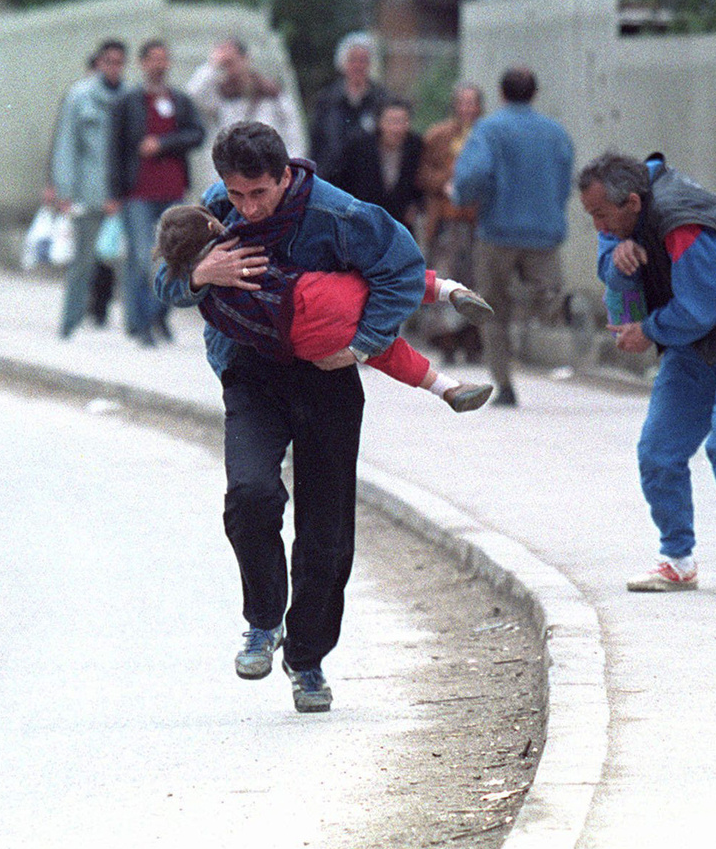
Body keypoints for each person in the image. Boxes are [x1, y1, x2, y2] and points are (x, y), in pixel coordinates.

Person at [155, 122, 425, 713]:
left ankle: (308, 660)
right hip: (250, 375)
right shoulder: (214, 211)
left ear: (284, 176)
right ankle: (262, 621)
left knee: (327, 534)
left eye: (259, 193)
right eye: (237, 194)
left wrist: (363, 344)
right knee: (249, 495)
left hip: (327, 375)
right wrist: (200, 275)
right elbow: (164, 282)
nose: (248, 208)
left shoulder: (339, 214)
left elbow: (404, 270)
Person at [578, 152, 716, 592]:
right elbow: (609, 269)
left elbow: (703, 305)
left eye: (601, 216)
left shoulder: (682, 222)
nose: (598, 227)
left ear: (632, 203)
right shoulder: (620, 220)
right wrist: (618, 258)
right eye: (591, 216)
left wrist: (648, 331)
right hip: (692, 342)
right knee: (658, 451)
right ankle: (677, 559)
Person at [154, 203, 493, 411]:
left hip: (302, 342)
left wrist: (197, 278)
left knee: (383, 354)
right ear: (211, 224)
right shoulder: (240, 235)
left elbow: (165, 284)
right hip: (311, 295)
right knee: (373, 285)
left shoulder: (212, 305)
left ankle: (445, 388)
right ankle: (448, 289)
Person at [452, 67, 573, 406]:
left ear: (501, 94)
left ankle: (504, 385)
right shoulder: (556, 133)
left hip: (497, 231)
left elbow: (473, 173)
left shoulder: (489, 129)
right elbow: (566, 182)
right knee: (547, 293)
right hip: (543, 232)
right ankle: (536, 306)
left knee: (491, 309)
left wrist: (463, 197)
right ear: (535, 94)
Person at [109, 39, 205, 346]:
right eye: (153, 58)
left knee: (176, 257)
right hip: (137, 192)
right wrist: (113, 193)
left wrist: (163, 144)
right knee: (142, 258)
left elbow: (197, 134)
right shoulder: (129, 101)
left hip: (173, 190)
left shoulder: (180, 100)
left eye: (163, 58)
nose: (158, 64)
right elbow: (114, 148)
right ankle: (142, 324)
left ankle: (159, 316)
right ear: (142, 63)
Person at [52, 39, 127, 339]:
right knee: (82, 262)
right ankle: (69, 323)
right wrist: (65, 189)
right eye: (108, 61)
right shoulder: (79, 96)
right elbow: (66, 144)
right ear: (99, 63)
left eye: (119, 62)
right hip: (87, 192)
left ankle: (135, 329)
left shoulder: (130, 98)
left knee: (126, 262)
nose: (113, 67)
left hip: (122, 194)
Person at [417, 82, 484, 364]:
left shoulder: (486, 135)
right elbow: (422, 172)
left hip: (478, 220)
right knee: (445, 278)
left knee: (475, 279)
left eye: (472, 103)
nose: (467, 108)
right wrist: (445, 179)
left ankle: (472, 338)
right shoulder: (438, 135)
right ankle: (445, 337)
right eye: (462, 102)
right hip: (446, 219)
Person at [186, 37, 306, 158]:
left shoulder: (271, 92)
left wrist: (290, 162)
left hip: (271, 162)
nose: (229, 67)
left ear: (244, 58)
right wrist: (212, 65)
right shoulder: (219, 95)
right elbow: (191, 97)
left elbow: (294, 133)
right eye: (224, 64)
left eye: (231, 61)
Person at [326, 98, 424, 232]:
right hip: (363, 221)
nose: (396, 128)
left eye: (402, 121)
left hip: (401, 225)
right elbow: (338, 180)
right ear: (380, 122)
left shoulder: (416, 146)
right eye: (391, 121)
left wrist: (415, 205)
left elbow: (423, 181)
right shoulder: (359, 147)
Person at [309, 31, 390, 174]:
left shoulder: (383, 100)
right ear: (343, 63)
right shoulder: (326, 99)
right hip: (332, 174)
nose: (358, 66)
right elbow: (316, 143)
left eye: (363, 60)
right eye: (352, 60)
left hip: (368, 176)